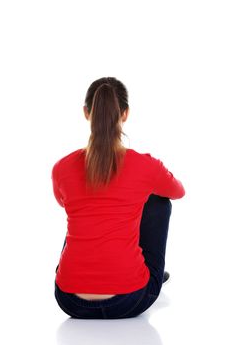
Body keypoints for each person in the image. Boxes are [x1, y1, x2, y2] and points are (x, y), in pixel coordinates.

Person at [52, 77, 186, 319]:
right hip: (131, 299)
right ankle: (150, 272)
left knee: (80, 210)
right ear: (125, 114)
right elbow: (178, 192)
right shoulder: (146, 165)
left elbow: (62, 201)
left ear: (86, 113)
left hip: (69, 300)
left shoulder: (62, 167)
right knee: (159, 202)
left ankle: (84, 274)